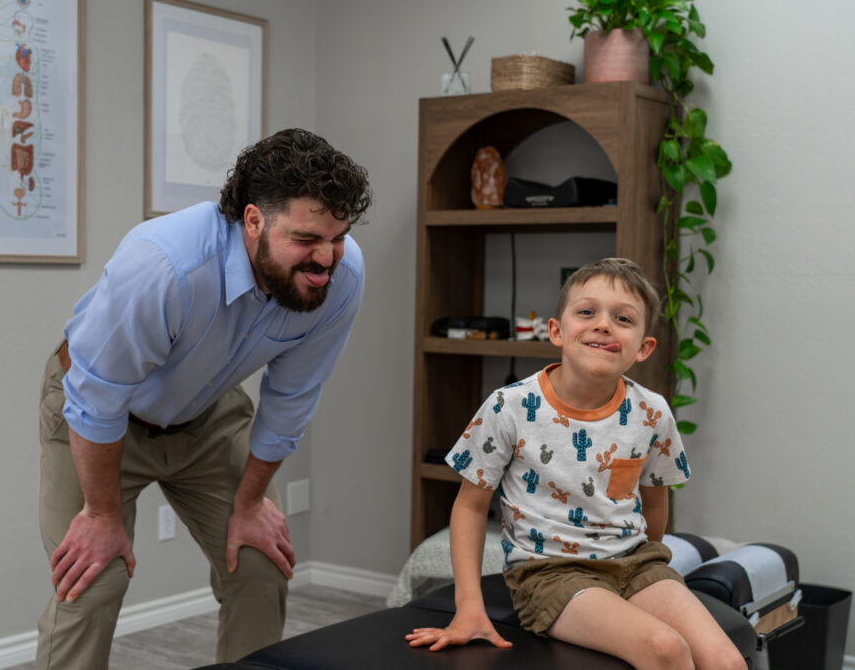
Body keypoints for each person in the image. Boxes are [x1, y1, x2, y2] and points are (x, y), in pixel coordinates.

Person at [37, 128, 372, 668]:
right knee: (93, 582)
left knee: (261, 564)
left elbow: (291, 399)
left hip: (208, 411)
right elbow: (97, 397)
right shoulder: (164, 265)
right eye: (308, 238)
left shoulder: (340, 275)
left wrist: (250, 503)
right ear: (253, 220)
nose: (326, 258)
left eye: (338, 236)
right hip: (97, 415)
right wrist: (101, 515)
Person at [406, 258, 746, 670]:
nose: (603, 324)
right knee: (665, 649)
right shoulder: (509, 407)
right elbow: (470, 506)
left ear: (643, 348)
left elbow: (655, 502)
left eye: (622, 318)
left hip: (635, 563)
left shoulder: (652, 412)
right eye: (587, 312)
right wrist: (469, 607)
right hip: (549, 573)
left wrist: (649, 568)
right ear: (557, 331)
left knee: (727, 661)